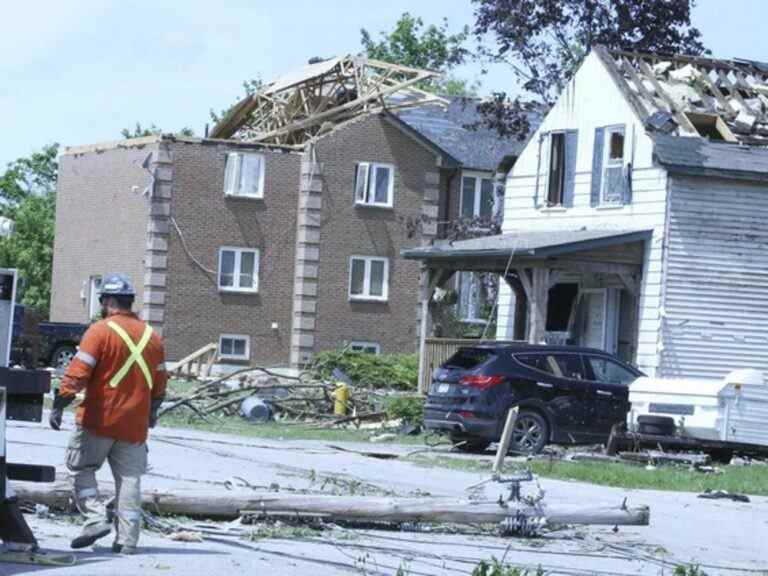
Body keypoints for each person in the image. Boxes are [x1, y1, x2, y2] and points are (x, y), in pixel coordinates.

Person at [49, 273, 167, 554]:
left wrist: (59, 402)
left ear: (109, 302)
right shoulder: (152, 337)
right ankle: (127, 541)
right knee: (129, 480)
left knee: (81, 468)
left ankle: (94, 517)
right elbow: (160, 383)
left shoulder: (100, 331)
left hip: (99, 420)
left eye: (102, 301)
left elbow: (78, 373)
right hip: (135, 425)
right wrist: (152, 411)